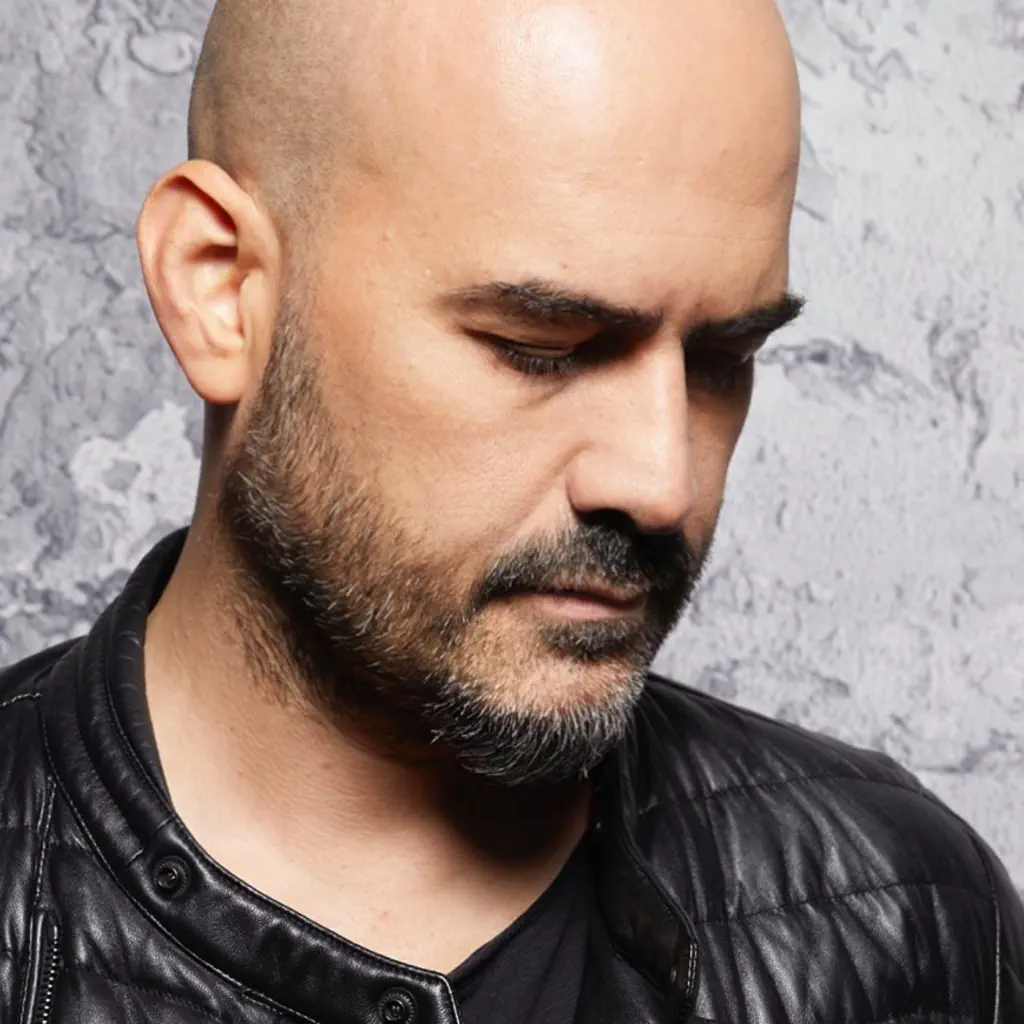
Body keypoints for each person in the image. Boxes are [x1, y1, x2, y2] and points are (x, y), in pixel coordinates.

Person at [1, 0, 1021, 1020]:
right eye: (540, 347)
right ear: (220, 290)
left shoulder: (909, 922)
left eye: (722, 359)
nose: (659, 485)